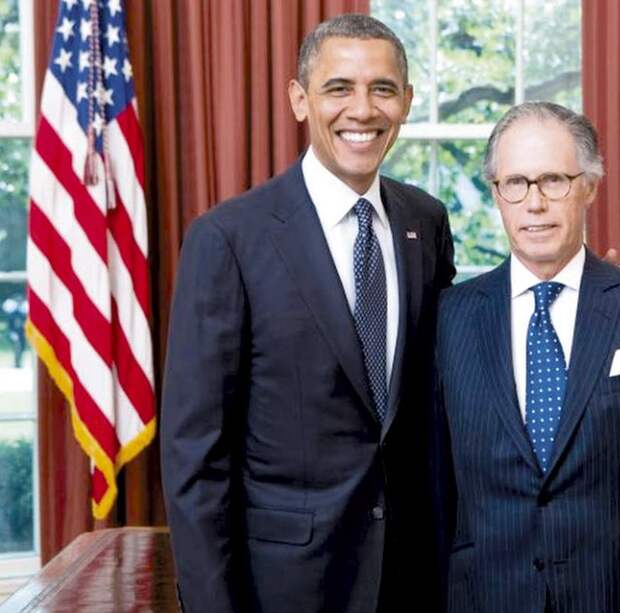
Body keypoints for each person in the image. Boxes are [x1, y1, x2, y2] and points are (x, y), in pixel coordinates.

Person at [160, 15, 454, 613]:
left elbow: (452, 371)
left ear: (407, 102)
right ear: (300, 99)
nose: (363, 109)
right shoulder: (228, 238)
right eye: (339, 88)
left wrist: (602, 294)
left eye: (383, 89)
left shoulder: (426, 221)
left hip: (410, 576)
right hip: (283, 584)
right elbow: (195, 455)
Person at [435, 102, 620, 613]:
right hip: (485, 597)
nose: (534, 202)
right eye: (515, 183)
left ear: (589, 186)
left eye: (553, 181)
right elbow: (433, 493)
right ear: (497, 194)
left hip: (618, 596)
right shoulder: (450, 318)